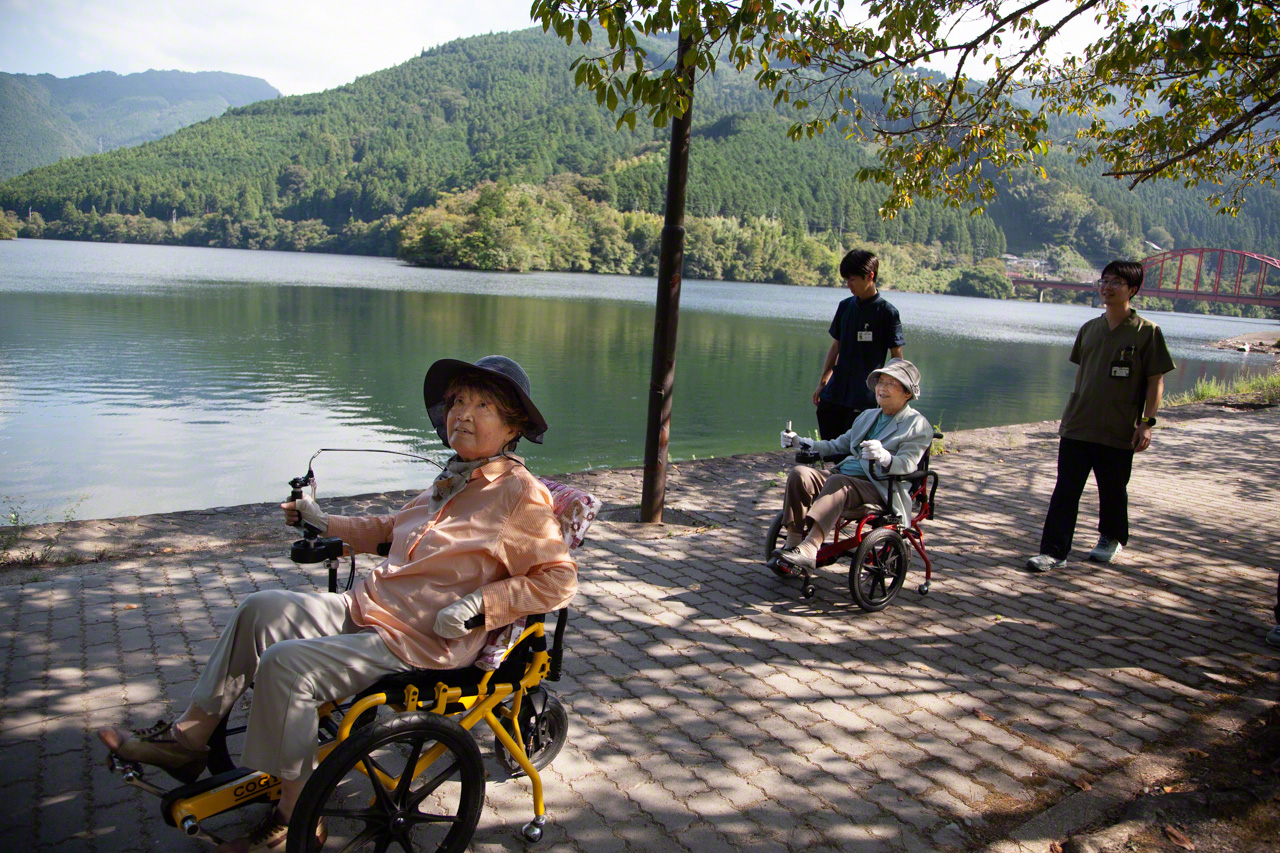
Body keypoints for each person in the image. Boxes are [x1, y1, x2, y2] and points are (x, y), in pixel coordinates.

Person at [98, 355, 577, 853]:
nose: (463, 414)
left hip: (419, 638)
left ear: (512, 426)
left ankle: (293, 821)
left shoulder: (519, 494)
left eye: (483, 406)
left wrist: (482, 602)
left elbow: (558, 579)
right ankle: (187, 743)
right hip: (368, 607)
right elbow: (390, 529)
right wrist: (322, 521)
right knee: (259, 609)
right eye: (458, 401)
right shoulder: (455, 478)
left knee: (287, 665)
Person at [1026, 261, 1176, 572]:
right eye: (1104, 281)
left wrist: (1147, 423)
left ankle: (1111, 537)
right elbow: (1084, 372)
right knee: (1065, 490)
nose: (1107, 287)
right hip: (1078, 423)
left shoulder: (1147, 332)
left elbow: (1155, 380)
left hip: (1119, 426)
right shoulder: (1089, 329)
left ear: (1132, 290)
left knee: (1112, 489)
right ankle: (1054, 552)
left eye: (1116, 282)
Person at [774, 358, 932, 573]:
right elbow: (837, 445)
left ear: (907, 393)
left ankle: (810, 548)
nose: (882, 388)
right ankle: (793, 544)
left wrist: (885, 457)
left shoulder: (918, 425)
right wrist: (800, 442)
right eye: (880, 382)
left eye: (891, 384)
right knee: (800, 474)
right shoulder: (868, 415)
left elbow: (908, 464)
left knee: (838, 482)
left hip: (879, 487)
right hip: (845, 476)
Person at [813, 249, 906, 440]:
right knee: (827, 431)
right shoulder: (845, 306)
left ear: (870, 276)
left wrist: (895, 391)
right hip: (836, 390)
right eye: (846, 279)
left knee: (855, 443)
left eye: (852, 279)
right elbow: (836, 346)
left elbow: (896, 355)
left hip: (864, 394)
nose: (848, 284)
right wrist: (823, 382)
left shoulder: (887, 312)